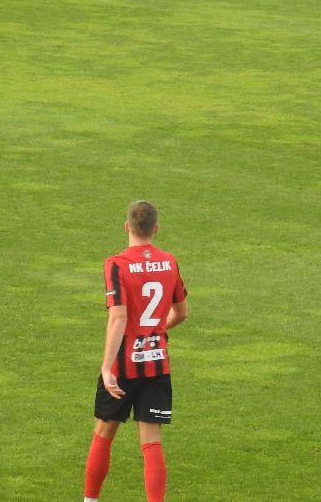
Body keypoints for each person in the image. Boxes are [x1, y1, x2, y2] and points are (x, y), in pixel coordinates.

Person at [84, 200, 189, 502]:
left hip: (123, 367)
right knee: (151, 442)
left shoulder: (116, 264)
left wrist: (106, 368)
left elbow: (118, 317)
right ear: (156, 229)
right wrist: (155, 331)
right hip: (157, 363)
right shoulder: (169, 262)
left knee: (104, 433)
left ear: (127, 226)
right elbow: (181, 312)